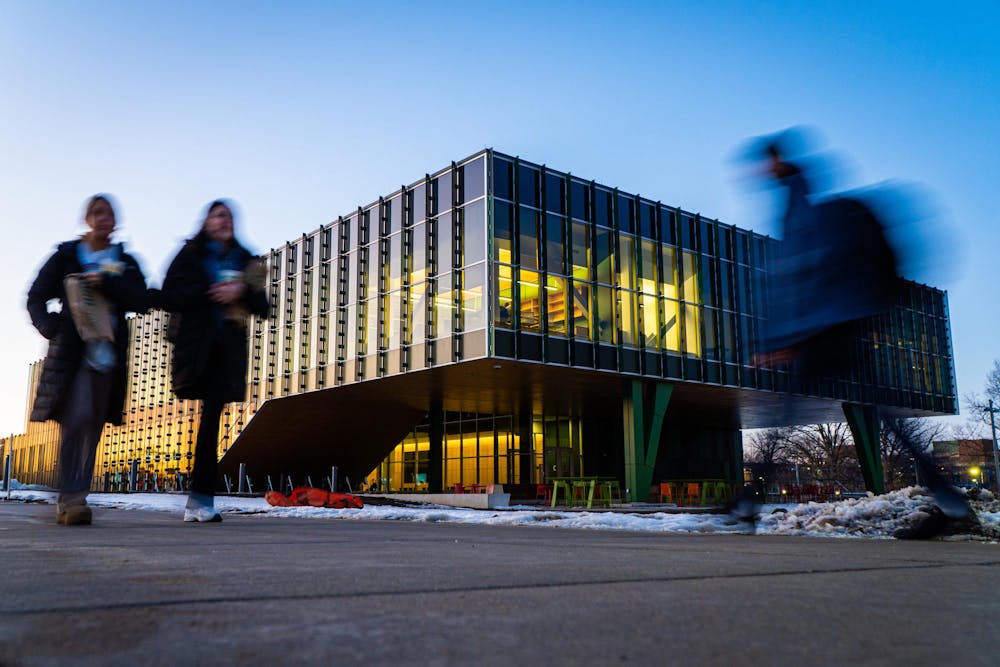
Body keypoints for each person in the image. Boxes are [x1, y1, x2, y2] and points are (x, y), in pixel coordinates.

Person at [740, 130, 974, 538]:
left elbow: (803, 277)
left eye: (764, 164)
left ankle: (746, 505)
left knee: (795, 410)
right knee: (869, 410)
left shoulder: (802, 211)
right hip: (843, 321)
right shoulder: (812, 206)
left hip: (827, 325)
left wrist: (785, 339)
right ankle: (949, 498)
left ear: (776, 162)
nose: (758, 173)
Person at [26, 194, 151, 525]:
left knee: (93, 425)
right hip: (73, 354)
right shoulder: (68, 256)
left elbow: (142, 299)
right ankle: (71, 498)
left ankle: (76, 496)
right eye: (96, 211)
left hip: (107, 356)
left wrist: (108, 283)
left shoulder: (123, 260)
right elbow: (36, 296)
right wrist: (50, 327)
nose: (103, 217)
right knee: (76, 418)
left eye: (108, 212)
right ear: (87, 218)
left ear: (115, 220)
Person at [160, 200, 269, 522]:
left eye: (230, 217)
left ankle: (199, 501)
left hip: (226, 350)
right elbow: (169, 292)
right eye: (219, 216)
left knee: (211, 421)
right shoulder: (191, 254)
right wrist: (210, 291)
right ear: (206, 222)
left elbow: (263, 306)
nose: (225, 221)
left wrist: (240, 292)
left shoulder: (245, 259)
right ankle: (199, 501)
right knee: (207, 422)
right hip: (197, 346)